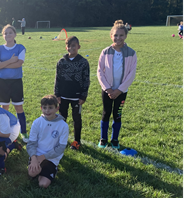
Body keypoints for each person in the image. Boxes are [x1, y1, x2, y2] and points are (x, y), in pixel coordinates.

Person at [97, 20, 137, 149]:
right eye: (115, 35)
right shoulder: (105, 52)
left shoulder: (131, 53)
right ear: (111, 36)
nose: (118, 38)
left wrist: (119, 90)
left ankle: (114, 140)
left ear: (125, 36)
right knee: (106, 113)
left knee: (117, 114)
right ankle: (103, 139)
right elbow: (99, 71)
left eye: (121, 35)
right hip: (107, 91)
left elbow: (131, 74)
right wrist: (108, 89)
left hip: (121, 92)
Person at [0, 24, 29, 142]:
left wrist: (3, 64)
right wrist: (10, 61)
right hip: (2, 82)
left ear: (15, 34)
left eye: (10, 32)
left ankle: (23, 132)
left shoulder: (20, 48)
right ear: (3, 36)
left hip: (16, 81)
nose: (8, 35)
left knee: (19, 107)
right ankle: (5, 131)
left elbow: (19, 64)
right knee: (4, 108)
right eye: (5, 33)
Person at [54, 36, 90, 150]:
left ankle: (77, 141)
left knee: (76, 118)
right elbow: (57, 79)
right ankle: (61, 139)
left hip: (76, 96)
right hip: (63, 96)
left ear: (78, 47)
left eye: (73, 46)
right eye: (69, 46)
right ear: (66, 47)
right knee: (61, 118)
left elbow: (86, 79)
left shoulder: (83, 62)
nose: (71, 48)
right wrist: (57, 94)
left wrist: (83, 95)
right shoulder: (61, 62)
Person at [27, 95, 69, 188]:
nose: (47, 111)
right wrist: (34, 158)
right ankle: (38, 169)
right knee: (32, 174)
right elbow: (31, 143)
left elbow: (61, 148)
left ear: (57, 108)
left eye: (50, 108)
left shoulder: (63, 125)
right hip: (37, 155)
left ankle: (52, 169)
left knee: (43, 184)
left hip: (51, 157)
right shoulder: (37, 122)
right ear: (41, 108)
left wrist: (44, 157)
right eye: (44, 108)